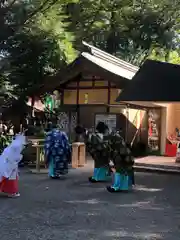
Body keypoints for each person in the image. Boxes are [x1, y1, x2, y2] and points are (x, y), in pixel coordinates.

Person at [0, 133, 26, 197]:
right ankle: (11, 192)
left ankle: (8, 191)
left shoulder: (14, 144)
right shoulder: (18, 145)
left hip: (7, 162)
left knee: (5, 177)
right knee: (10, 179)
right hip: (10, 163)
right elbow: (16, 157)